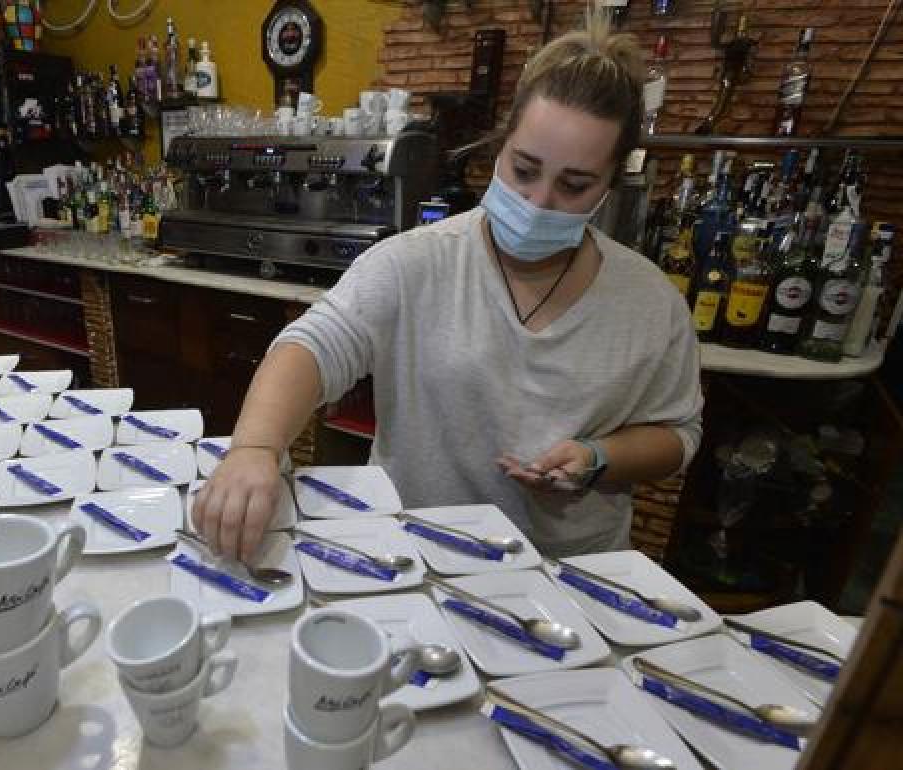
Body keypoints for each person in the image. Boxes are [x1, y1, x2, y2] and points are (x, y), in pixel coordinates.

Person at [192, 13, 704, 563]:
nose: (537, 202)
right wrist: (254, 449)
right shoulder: (417, 262)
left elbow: (677, 432)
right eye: (524, 169)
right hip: (413, 556)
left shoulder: (650, 302)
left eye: (574, 185)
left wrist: (599, 458)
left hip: (570, 572)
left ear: (610, 184)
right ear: (500, 147)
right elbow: (313, 346)